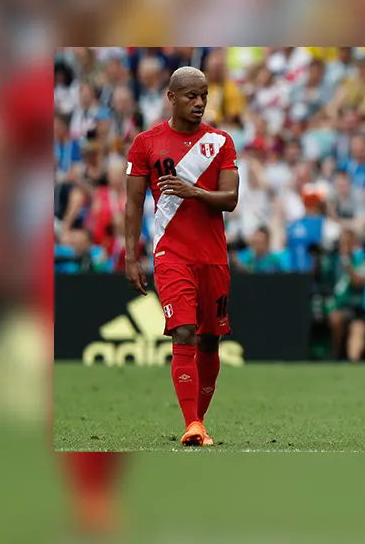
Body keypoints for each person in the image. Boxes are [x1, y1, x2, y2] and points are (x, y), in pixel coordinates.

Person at [124, 66, 240, 447]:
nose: (200, 102)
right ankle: (191, 424)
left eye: (204, 95)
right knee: (184, 332)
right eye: (191, 96)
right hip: (171, 254)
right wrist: (130, 255)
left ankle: (198, 421)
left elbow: (231, 199)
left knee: (209, 341)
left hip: (213, 258)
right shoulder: (146, 143)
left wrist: (195, 192)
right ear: (171, 98)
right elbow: (133, 202)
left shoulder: (221, 142)